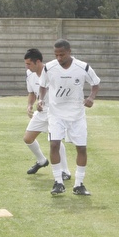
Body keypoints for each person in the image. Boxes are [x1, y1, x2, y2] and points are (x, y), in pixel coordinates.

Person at [38, 39, 100, 196]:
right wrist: (40, 100)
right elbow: (43, 86)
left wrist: (91, 97)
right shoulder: (49, 68)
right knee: (54, 145)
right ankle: (58, 182)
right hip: (56, 114)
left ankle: (79, 184)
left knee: (81, 148)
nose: (59, 58)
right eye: (56, 55)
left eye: (62, 55)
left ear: (69, 52)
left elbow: (95, 83)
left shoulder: (82, 67)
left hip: (76, 115)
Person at [23, 48, 71, 179]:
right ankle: (42, 161)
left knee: (55, 141)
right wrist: (29, 105)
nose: (27, 66)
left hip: (55, 112)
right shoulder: (29, 74)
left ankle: (65, 171)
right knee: (28, 138)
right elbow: (32, 92)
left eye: (29, 64)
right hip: (41, 112)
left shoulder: (53, 72)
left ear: (38, 62)